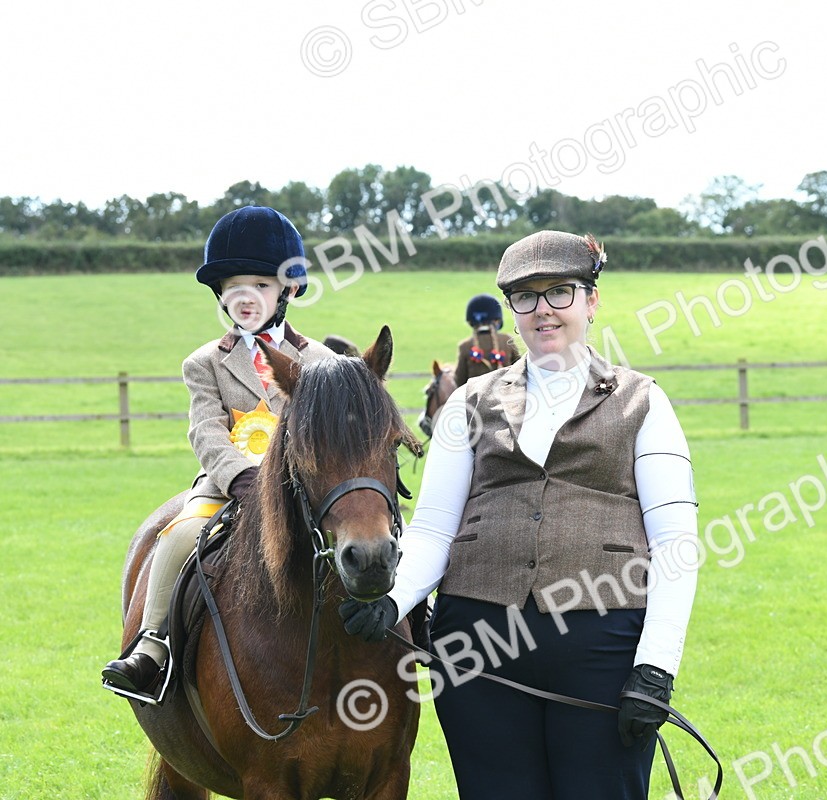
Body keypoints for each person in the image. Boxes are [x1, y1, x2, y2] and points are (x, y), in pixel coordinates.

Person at [340, 230, 700, 799]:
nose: (543, 310)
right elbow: (435, 528)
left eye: (560, 292)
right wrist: (392, 600)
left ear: (591, 299)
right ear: (512, 310)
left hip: (603, 644)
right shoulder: (467, 402)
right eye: (526, 297)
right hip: (476, 646)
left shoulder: (644, 401)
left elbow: (676, 542)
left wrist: (656, 668)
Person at [102, 206, 335, 694]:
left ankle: (412, 618)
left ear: (288, 289)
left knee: (366, 528)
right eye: (234, 286)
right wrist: (241, 478)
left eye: (260, 284)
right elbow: (205, 430)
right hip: (231, 484)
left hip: (307, 485)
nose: (245, 297)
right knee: (179, 535)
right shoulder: (204, 363)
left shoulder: (321, 361)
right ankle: (153, 645)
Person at [454, 293, 520, 386]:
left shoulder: (465, 346)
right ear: (497, 320)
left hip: (475, 400)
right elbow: (520, 371)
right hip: (509, 398)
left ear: (471, 321)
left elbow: (459, 381)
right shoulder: (507, 340)